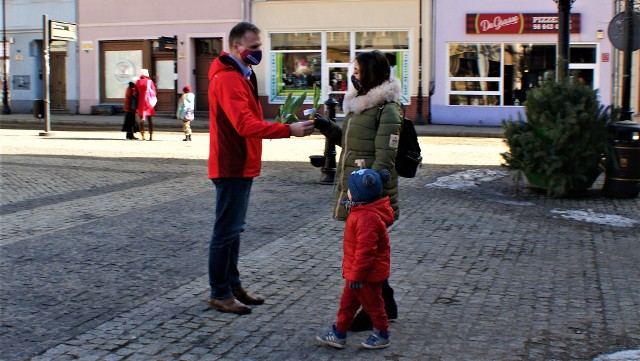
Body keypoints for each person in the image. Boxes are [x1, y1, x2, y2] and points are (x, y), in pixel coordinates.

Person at [207, 21, 315, 315]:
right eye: (253, 47)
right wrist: (287, 130)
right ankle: (220, 293)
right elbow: (244, 124)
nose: (258, 52)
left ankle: (232, 287)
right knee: (226, 232)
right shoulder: (228, 79)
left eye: (259, 47)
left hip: (240, 163)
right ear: (235, 48)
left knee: (233, 231)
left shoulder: (243, 74)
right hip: (232, 164)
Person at [314, 50, 402, 331]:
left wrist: (364, 196)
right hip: (356, 189)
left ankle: (373, 313)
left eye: (357, 70)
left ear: (370, 73)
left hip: (368, 195)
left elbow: (385, 157)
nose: (352, 74)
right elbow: (350, 143)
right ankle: (387, 306)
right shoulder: (357, 106)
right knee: (368, 252)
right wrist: (325, 126)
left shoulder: (386, 109)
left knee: (364, 254)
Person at [316, 168, 394, 350]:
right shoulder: (364, 210)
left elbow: (366, 252)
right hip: (356, 273)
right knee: (347, 304)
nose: (347, 192)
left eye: (350, 190)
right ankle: (339, 333)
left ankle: (383, 334)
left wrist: (357, 276)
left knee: (374, 305)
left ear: (359, 194)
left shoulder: (367, 218)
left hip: (365, 275)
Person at [135, 69, 156, 141]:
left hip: (141, 102)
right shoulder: (150, 82)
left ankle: (143, 135)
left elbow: (136, 92)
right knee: (150, 120)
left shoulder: (138, 82)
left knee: (141, 120)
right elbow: (154, 92)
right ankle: (151, 136)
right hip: (148, 102)